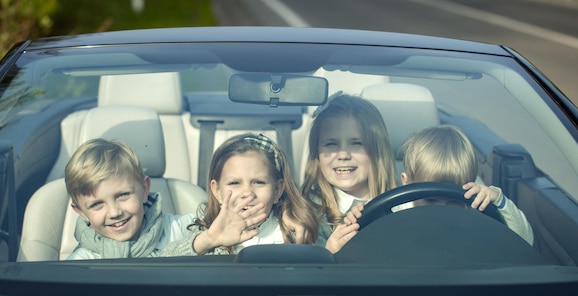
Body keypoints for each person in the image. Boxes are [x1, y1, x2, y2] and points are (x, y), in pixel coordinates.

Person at [159, 133, 320, 256]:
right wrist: (208, 240)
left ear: (277, 190)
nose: (247, 193)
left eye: (259, 182)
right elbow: (160, 262)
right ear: (217, 191)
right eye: (234, 183)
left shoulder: (294, 230)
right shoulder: (204, 229)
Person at [395, 124, 534, 245]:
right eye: (430, 199)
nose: (442, 211)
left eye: (453, 201)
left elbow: (525, 241)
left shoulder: (473, 216)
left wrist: (499, 201)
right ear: (406, 182)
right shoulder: (393, 215)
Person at [64, 138, 198, 259]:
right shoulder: (81, 264)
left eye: (123, 195)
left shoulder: (180, 229)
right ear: (81, 212)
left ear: (144, 189)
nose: (115, 213)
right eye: (97, 204)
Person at [301, 93, 397, 253]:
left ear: (377, 149)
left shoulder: (404, 204)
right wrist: (328, 255)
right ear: (317, 153)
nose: (343, 155)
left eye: (356, 143)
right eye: (331, 144)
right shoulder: (308, 215)